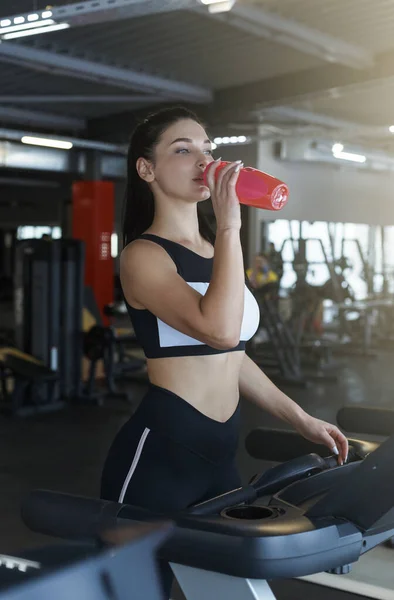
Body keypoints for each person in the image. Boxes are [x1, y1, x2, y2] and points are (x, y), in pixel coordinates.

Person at [100, 106, 348, 596]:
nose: (202, 160)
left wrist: (300, 419)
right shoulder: (143, 256)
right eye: (183, 149)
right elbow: (217, 330)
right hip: (162, 452)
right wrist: (232, 226)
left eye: (207, 149)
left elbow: (232, 355)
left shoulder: (217, 250)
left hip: (218, 455)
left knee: (228, 592)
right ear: (146, 169)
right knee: (134, 594)